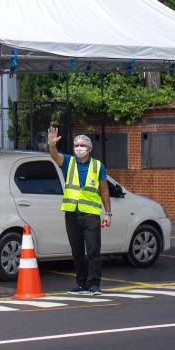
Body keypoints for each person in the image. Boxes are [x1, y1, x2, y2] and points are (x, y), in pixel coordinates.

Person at [48, 127, 112, 296]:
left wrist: (108, 213)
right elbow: (55, 156)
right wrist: (52, 145)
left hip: (90, 215)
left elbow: (104, 191)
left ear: (89, 149)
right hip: (72, 214)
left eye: (82, 145)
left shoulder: (98, 166)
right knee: (77, 251)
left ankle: (94, 284)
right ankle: (81, 283)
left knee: (92, 250)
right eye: (76, 145)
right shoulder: (68, 162)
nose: (79, 148)